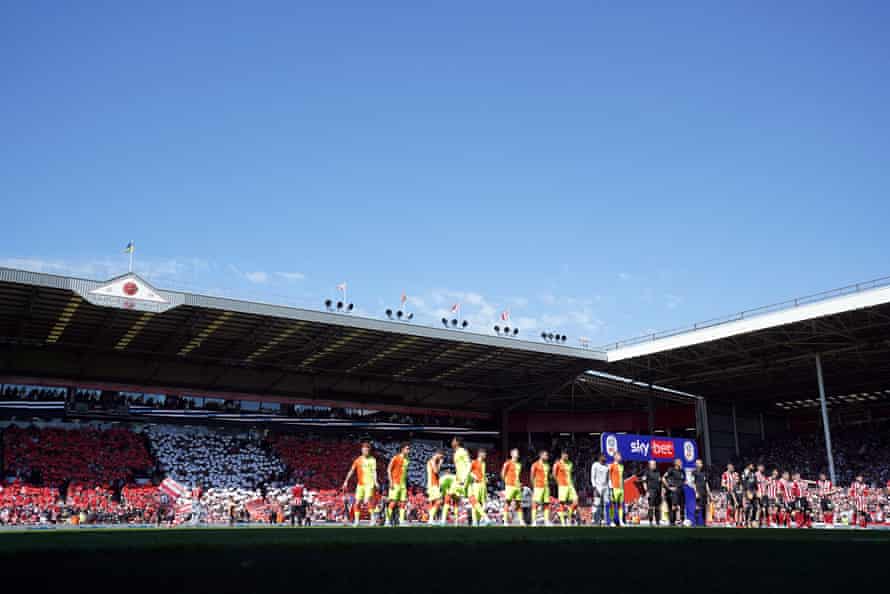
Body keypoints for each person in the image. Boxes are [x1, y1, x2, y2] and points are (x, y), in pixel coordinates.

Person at [341, 441, 379, 527]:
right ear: (362, 450)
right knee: (357, 502)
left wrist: (376, 481)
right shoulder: (358, 460)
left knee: (368, 500)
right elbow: (351, 470)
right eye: (364, 449)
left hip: (370, 483)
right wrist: (346, 481)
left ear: (369, 450)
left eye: (367, 450)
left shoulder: (373, 459)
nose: (365, 451)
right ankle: (357, 521)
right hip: (360, 484)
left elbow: (374, 471)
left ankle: (373, 519)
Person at [444, 437, 472, 525]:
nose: (452, 442)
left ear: (457, 442)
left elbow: (468, 464)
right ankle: (459, 518)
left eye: (453, 441)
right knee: (454, 497)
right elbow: (459, 467)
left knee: (450, 496)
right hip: (458, 478)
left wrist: (464, 478)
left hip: (463, 478)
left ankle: (443, 520)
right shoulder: (456, 452)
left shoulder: (462, 451)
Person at [386, 442, 410, 526]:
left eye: (409, 449)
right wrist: (390, 482)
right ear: (402, 449)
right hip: (395, 483)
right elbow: (388, 469)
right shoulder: (395, 458)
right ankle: (387, 521)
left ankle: (401, 521)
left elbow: (405, 472)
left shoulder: (407, 460)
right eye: (407, 449)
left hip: (403, 484)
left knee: (403, 502)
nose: (408, 450)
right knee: (393, 502)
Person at [553, 450, 578, 526]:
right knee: (562, 504)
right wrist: (558, 482)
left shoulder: (570, 463)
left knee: (576, 501)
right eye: (565, 455)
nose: (566, 456)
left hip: (570, 485)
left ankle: (569, 516)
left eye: (567, 455)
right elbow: (554, 474)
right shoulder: (557, 463)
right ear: (562, 455)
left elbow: (570, 473)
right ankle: (563, 522)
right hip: (562, 485)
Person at [500, 448, 524, 526]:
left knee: (518, 504)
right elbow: (503, 473)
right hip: (510, 486)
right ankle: (505, 521)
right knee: (507, 502)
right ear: (511, 454)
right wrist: (506, 482)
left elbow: (518, 476)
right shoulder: (508, 463)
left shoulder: (519, 465)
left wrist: (520, 483)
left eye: (518, 452)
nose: (517, 454)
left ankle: (521, 521)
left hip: (517, 486)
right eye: (515, 452)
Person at [530, 450, 551, 526]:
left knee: (546, 504)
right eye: (545, 455)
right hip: (538, 486)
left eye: (547, 455)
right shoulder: (535, 465)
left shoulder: (547, 465)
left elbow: (548, 476)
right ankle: (534, 521)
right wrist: (534, 486)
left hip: (546, 487)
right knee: (535, 504)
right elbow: (532, 476)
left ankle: (546, 521)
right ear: (541, 455)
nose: (547, 457)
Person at [469, 449, 489, 526]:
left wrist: (485, 478)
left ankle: (478, 520)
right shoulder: (474, 462)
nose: (485, 455)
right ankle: (475, 521)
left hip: (483, 485)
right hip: (476, 485)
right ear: (480, 454)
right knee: (476, 503)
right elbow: (469, 471)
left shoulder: (484, 463)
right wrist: (474, 476)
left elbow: (482, 473)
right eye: (484, 453)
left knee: (484, 504)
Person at [663, 458, 685, 526]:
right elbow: (663, 478)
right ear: (675, 463)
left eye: (681, 461)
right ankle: (672, 522)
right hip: (674, 492)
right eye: (679, 462)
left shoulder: (682, 471)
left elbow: (684, 480)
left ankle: (681, 521)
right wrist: (669, 487)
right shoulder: (671, 470)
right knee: (674, 507)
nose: (681, 462)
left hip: (681, 491)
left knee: (682, 507)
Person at [426, 450, 445, 525]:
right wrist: (440, 463)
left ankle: (430, 520)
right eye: (441, 456)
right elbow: (436, 471)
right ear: (438, 454)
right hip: (433, 484)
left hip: (434, 483)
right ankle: (430, 518)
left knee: (433, 502)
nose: (441, 458)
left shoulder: (434, 461)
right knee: (439, 501)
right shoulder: (433, 460)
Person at [591, 454, 610, 526]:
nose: (604, 458)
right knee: (597, 503)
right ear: (600, 457)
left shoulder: (607, 466)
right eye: (603, 457)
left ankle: (604, 519)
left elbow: (608, 478)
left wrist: (609, 487)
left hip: (605, 487)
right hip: (598, 487)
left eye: (605, 457)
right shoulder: (595, 465)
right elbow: (592, 477)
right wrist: (594, 487)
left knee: (605, 504)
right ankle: (593, 519)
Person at [642, 460, 662, 526]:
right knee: (651, 507)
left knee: (657, 507)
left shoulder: (658, 472)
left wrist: (662, 492)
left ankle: (657, 521)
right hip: (651, 491)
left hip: (658, 492)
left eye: (655, 464)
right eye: (652, 464)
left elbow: (660, 482)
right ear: (649, 465)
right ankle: (650, 522)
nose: (654, 465)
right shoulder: (646, 472)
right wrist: (647, 491)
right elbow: (644, 482)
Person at [608, 453, 625, 526]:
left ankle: (621, 521)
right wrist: (610, 486)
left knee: (620, 505)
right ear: (615, 457)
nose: (620, 457)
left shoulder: (622, 466)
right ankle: (612, 521)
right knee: (612, 504)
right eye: (619, 456)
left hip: (621, 488)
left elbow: (621, 477)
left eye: (620, 456)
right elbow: (608, 475)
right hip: (614, 488)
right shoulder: (611, 465)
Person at [691, 458, 710, 526]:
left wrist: (709, 493)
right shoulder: (694, 472)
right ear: (696, 464)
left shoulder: (704, 473)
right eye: (699, 463)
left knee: (704, 507)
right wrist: (696, 492)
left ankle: (704, 523)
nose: (700, 464)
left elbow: (706, 483)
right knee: (698, 507)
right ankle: (696, 523)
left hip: (704, 492)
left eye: (701, 463)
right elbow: (693, 483)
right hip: (698, 492)